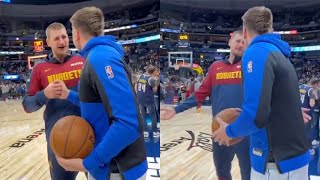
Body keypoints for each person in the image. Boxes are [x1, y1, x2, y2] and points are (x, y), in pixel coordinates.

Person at [212, 6, 311, 179]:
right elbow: (278, 100)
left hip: (276, 164)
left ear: (244, 31)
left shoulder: (256, 52)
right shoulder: (279, 53)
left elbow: (255, 114)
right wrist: (288, 112)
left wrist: (228, 132)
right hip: (292, 161)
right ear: (270, 28)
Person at [51, 6, 148, 180]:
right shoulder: (100, 55)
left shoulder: (100, 58)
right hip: (111, 168)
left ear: (77, 34)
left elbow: (127, 123)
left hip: (118, 170)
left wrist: (87, 163)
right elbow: (102, 107)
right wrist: (69, 95)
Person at [161, 30, 251, 180]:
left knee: (248, 173)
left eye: (244, 42)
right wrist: (176, 110)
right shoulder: (216, 67)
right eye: (238, 41)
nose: (240, 45)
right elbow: (200, 94)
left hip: (245, 131)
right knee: (222, 172)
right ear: (229, 42)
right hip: (219, 130)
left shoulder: (249, 67)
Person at [22, 22, 84, 180]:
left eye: (64, 37)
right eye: (56, 38)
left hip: (89, 132)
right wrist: (45, 94)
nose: (62, 42)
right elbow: (27, 106)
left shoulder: (82, 60)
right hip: (58, 137)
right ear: (48, 42)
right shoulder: (40, 69)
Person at [136, 65, 160, 138]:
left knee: (143, 116)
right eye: (155, 71)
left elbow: (136, 86)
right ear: (152, 71)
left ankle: (145, 132)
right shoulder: (151, 79)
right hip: (148, 100)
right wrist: (156, 82)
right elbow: (155, 90)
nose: (156, 72)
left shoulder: (140, 76)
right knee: (153, 116)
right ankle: (155, 132)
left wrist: (138, 94)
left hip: (140, 99)